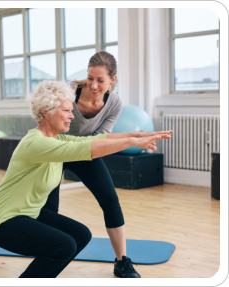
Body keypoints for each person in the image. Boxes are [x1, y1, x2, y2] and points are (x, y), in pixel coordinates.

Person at [0, 80, 172, 278]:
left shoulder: (56, 139)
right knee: (64, 245)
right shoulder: (36, 144)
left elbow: (95, 140)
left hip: (28, 213)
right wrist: (133, 142)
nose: (72, 116)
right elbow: (87, 149)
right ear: (46, 111)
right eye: (66, 110)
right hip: (3, 221)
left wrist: (140, 134)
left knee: (80, 235)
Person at [44, 51, 173, 278]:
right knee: (49, 209)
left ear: (112, 80)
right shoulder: (68, 92)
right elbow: (46, 125)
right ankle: (46, 255)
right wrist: (133, 137)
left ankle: (122, 262)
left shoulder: (113, 103)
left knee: (111, 200)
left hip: (85, 151)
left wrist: (135, 137)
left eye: (100, 80)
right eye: (90, 78)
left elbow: (100, 139)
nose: (94, 85)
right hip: (56, 150)